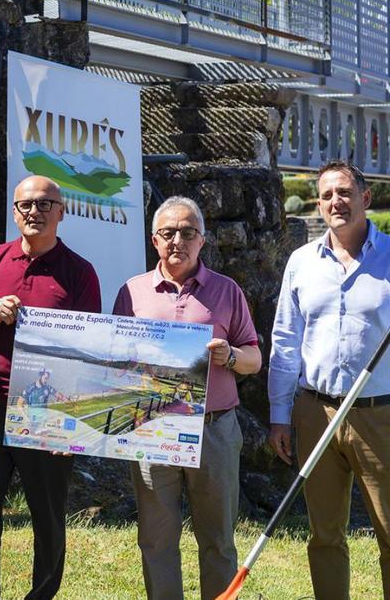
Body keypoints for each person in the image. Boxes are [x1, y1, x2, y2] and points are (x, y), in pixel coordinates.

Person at [268, 161, 390, 600]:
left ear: (365, 198)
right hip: (315, 412)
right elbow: (285, 342)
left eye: (344, 192)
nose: (335, 202)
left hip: (378, 416)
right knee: (325, 535)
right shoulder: (301, 262)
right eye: (327, 195)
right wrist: (278, 415)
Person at [0, 175, 101, 600]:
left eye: (44, 204)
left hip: (48, 413)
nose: (34, 212)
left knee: (48, 515)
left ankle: (42, 595)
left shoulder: (80, 272)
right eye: (24, 205)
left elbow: (85, 352)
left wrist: (71, 425)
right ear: (14, 212)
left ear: (62, 211)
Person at [112, 196, 262, 600]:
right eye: (168, 233)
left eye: (188, 232)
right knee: (156, 539)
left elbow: (254, 358)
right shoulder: (131, 293)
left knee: (218, 540)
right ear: (154, 240)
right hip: (153, 429)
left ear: (202, 239)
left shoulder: (227, 291)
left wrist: (229, 356)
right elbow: (115, 363)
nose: (177, 239)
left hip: (214, 429)